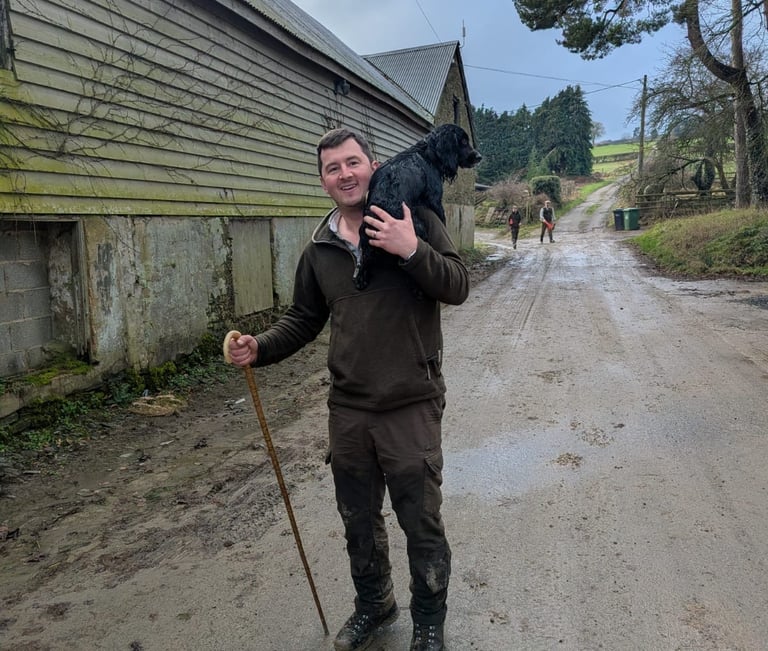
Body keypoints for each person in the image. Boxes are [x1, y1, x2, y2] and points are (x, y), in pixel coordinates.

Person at [227, 128, 469, 651]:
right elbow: (304, 318)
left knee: (420, 521)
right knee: (357, 521)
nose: (346, 174)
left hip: (411, 403)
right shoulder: (320, 248)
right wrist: (259, 347)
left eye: (353, 162)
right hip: (350, 409)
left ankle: (429, 620)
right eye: (333, 168)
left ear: (373, 164)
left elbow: (456, 285)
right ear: (323, 181)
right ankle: (374, 605)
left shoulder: (416, 217)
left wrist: (410, 250)